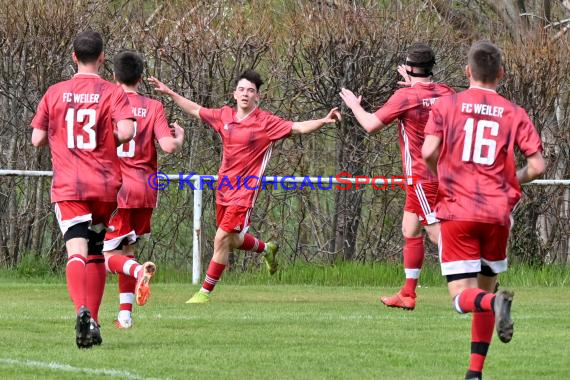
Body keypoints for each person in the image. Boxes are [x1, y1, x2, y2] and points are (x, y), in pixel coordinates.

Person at [149, 69, 340, 303]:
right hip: (224, 188)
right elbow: (195, 109)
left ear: (257, 97)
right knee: (232, 240)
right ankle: (266, 248)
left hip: (245, 192)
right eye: (241, 89)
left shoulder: (266, 123)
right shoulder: (224, 115)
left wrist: (323, 120)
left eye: (251, 90)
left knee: (220, 239)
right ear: (234, 93)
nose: (245, 94)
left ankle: (204, 293)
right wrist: (169, 92)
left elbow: (298, 127)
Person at [422, 40, 545, 380]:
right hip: (496, 214)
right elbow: (537, 165)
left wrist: (442, 174)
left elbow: (428, 151)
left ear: (467, 72)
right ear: (501, 74)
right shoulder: (514, 112)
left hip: (458, 211)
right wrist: (510, 183)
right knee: (485, 290)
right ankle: (474, 374)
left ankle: (496, 305)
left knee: (463, 297)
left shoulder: (447, 106)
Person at [30, 31, 135, 348]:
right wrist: (107, 140)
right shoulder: (112, 92)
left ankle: (82, 313)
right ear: (102, 57)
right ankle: (96, 322)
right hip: (104, 185)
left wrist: (60, 136)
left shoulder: (55, 92)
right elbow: (127, 131)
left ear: (73, 56)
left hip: (70, 184)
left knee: (76, 251)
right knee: (97, 251)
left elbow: (36, 139)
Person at [339, 43, 455, 310]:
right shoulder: (447, 92)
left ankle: (478, 277)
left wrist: (355, 105)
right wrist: (412, 84)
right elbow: (427, 97)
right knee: (410, 229)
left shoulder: (405, 97)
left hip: (422, 176)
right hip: (445, 172)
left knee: (439, 235)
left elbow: (370, 125)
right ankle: (407, 294)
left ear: (410, 68)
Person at [102, 50, 185, 329]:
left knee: (104, 256)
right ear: (141, 77)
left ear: (114, 76)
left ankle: (139, 272)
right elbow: (168, 146)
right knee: (126, 251)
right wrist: (180, 138)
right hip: (146, 190)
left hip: (117, 190)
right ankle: (125, 317)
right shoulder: (153, 107)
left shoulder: (108, 102)